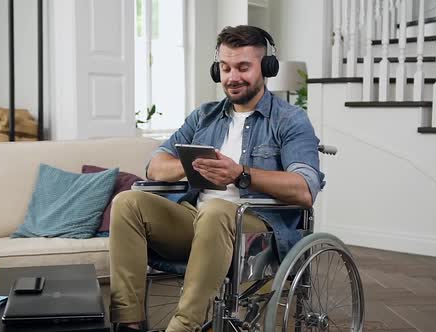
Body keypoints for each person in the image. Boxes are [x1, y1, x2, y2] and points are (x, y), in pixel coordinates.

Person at [109, 25, 324, 332]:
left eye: (243, 67)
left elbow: (304, 190)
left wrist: (241, 173)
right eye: (225, 68)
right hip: (197, 219)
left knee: (217, 211)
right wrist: (189, 164)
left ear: (266, 68)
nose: (232, 77)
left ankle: (184, 326)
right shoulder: (203, 117)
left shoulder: (290, 120)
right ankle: (128, 324)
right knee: (127, 203)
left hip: (255, 230)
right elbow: (155, 166)